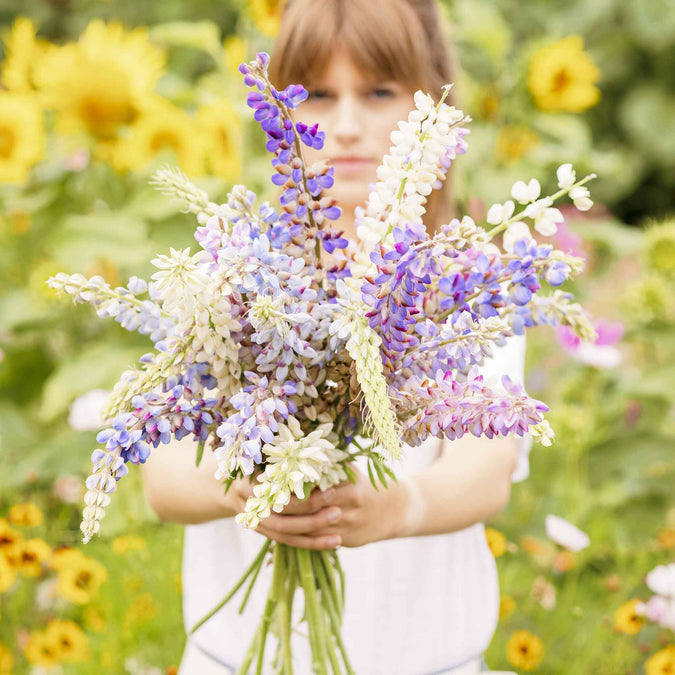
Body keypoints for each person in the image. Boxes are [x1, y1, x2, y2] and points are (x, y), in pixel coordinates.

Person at [140, 1, 530, 673]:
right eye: (318, 93)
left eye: (378, 92)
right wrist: (236, 488)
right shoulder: (232, 272)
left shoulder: (464, 280)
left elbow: (487, 467)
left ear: (427, 100)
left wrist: (400, 506)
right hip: (238, 660)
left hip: (425, 658)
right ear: (280, 112)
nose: (347, 126)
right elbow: (161, 472)